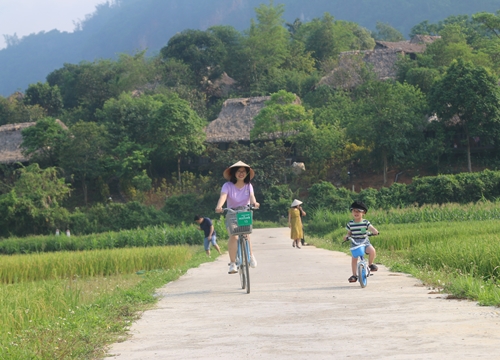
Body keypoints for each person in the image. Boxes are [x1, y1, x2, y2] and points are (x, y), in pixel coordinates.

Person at [215, 161, 260, 274]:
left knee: (246, 233)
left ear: (247, 173)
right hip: (232, 213)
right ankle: (233, 263)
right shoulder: (227, 186)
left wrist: (255, 203)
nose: (241, 173)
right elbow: (223, 196)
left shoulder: (248, 186)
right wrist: (219, 206)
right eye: (239, 171)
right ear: (234, 173)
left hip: (245, 211)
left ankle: (250, 255)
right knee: (234, 236)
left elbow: (252, 197)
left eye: (243, 171)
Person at [343, 200, 379, 283]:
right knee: (354, 259)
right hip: (355, 242)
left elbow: (372, 228)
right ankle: (354, 275)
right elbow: (349, 233)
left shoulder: (365, 222)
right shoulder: (350, 223)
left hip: (365, 241)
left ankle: (370, 264)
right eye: (354, 211)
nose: (356, 213)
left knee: (372, 250)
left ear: (363, 213)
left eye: (358, 211)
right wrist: (347, 237)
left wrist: (375, 232)